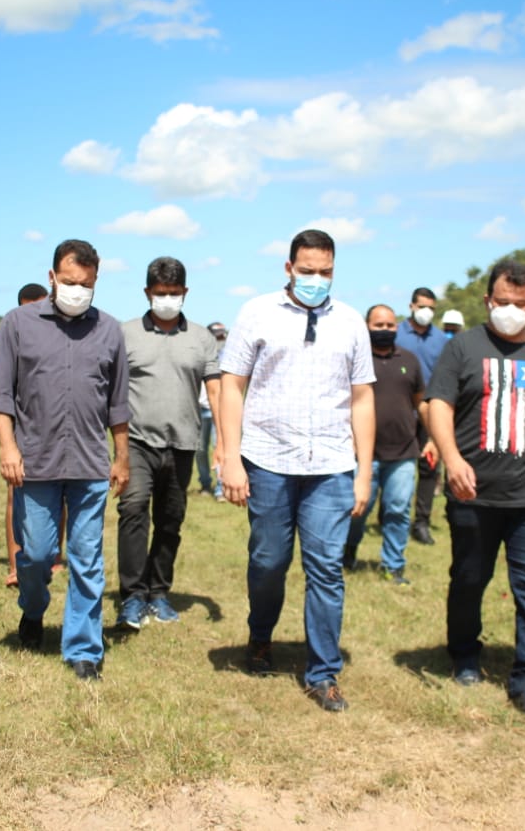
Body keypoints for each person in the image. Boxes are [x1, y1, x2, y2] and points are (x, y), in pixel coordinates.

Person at [218, 228, 374, 713]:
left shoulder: (350, 322)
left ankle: (323, 672)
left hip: (330, 464)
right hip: (268, 459)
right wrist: (230, 457)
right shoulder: (257, 313)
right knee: (268, 562)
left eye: (325, 272)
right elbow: (231, 385)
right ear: (288, 268)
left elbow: (363, 397)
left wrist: (364, 472)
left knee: (326, 568)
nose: (316, 279)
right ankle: (260, 635)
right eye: (307, 271)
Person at [426, 258, 525, 720]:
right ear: (487, 300)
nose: (510, 310)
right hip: (474, 495)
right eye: (502, 302)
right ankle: (465, 655)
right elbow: (438, 405)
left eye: (520, 303)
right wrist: (452, 460)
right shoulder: (464, 348)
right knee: (470, 579)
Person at [0, 239, 130, 682]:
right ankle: (33, 608)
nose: (76, 290)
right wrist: (8, 448)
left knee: (87, 557)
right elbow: (0, 395)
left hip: (89, 465)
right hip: (36, 463)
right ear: (51, 278)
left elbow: (119, 402)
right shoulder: (18, 324)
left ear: (96, 282)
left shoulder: (109, 330)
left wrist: (121, 457)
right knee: (37, 554)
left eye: (84, 284)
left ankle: (83, 649)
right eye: (68, 282)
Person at [115, 257, 220, 631]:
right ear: (147, 293)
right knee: (133, 510)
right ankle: (131, 596)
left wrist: (221, 438)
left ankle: (158, 592)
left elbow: (215, 388)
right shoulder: (124, 334)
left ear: (185, 293)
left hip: (183, 444)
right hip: (137, 442)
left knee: (170, 520)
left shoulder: (201, 337)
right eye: (160, 294)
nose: (167, 300)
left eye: (174, 294)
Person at [342, 304, 434, 585]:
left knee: (397, 510)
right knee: (357, 510)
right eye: (378, 325)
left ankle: (393, 566)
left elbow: (422, 403)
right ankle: (346, 555)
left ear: (397, 327)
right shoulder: (355, 360)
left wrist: (431, 439)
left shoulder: (410, 360)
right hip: (362, 455)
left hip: (404, 452)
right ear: (367, 326)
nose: (384, 330)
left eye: (390, 326)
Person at [0, 283, 49, 588]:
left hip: (57, 433)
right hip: (20, 432)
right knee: (14, 495)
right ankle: (16, 563)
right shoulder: (12, 336)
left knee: (62, 497)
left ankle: (51, 557)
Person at [395, 286, 446, 546]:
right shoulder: (396, 334)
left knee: (429, 466)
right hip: (400, 410)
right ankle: (390, 517)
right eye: (422, 306)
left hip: (430, 411)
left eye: (431, 308)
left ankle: (422, 522)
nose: (426, 312)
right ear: (412, 306)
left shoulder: (441, 339)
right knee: (393, 464)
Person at [195, 322, 228, 501]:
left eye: (221, 335)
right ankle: (205, 483)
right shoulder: (198, 356)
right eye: (215, 336)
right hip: (199, 410)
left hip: (220, 410)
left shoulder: (228, 357)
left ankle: (220, 488)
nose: (219, 339)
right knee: (200, 450)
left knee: (219, 446)